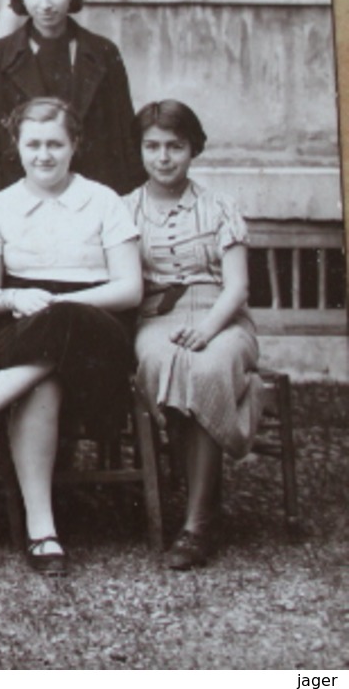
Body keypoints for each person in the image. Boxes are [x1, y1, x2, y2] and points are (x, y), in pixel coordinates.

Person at [0, 97, 142, 577]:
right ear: (17, 146)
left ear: (75, 146)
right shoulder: (0, 205)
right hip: (22, 325)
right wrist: (11, 300)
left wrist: (66, 304)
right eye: (34, 144)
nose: (44, 155)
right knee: (40, 381)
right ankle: (42, 532)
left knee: (62, 321)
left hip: (97, 330)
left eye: (55, 144)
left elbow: (130, 288)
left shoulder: (103, 199)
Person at [125, 100, 262, 570]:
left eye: (175, 147)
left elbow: (238, 286)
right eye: (153, 147)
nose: (164, 158)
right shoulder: (125, 211)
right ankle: (202, 510)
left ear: (193, 149)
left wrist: (207, 329)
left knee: (206, 365)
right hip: (156, 317)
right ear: (140, 150)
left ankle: (197, 525)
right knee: (163, 361)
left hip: (219, 314)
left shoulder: (219, 206)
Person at [0, 0, 143, 197]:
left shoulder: (103, 53)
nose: (45, 4)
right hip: (21, 195)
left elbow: (123, 137)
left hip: (91, 194)